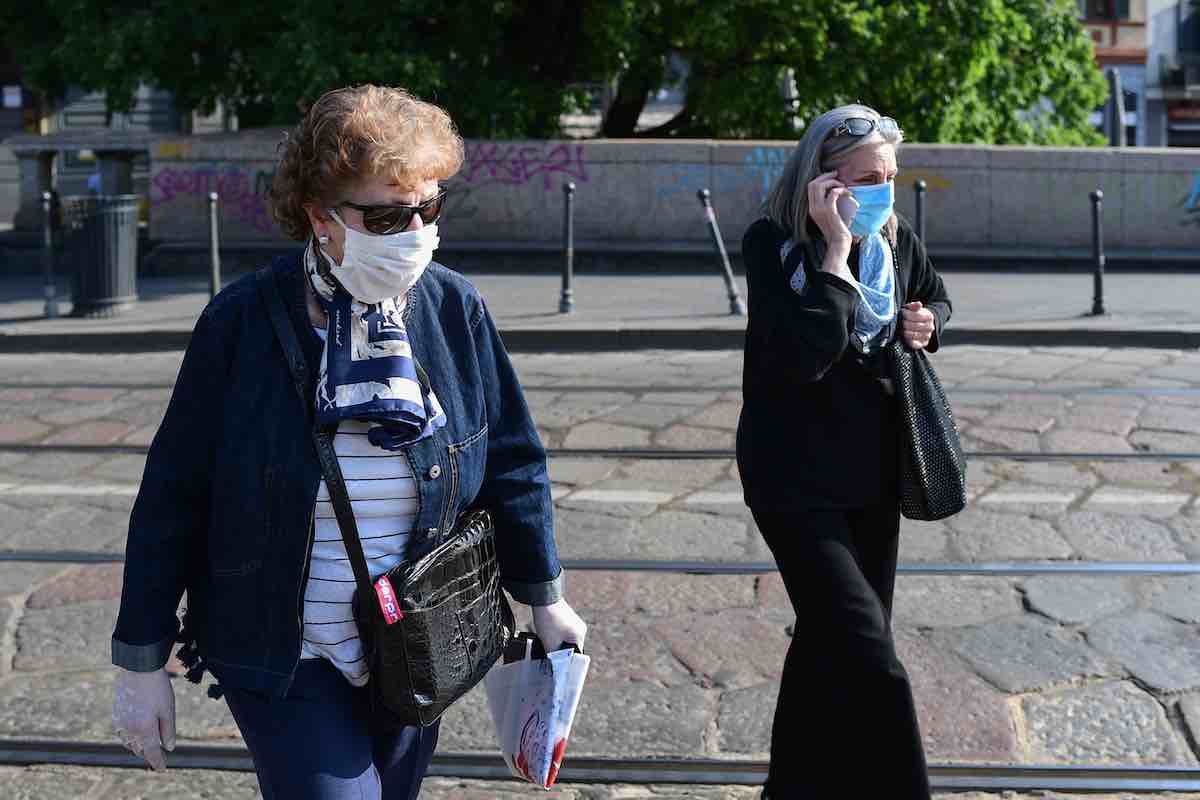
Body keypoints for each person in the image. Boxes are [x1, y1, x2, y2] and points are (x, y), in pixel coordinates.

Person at [110, 84, 587, 800]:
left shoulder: (453, 308)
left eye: (428, 207)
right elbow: (172, 495)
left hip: (415, 643)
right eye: (387, 215)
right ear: (319, 216)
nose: (415, 231)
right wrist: (141, 662)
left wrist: (544, 596)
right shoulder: (240, 323)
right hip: (282, 650)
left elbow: (514, 460)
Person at [738, 104, 951, 799]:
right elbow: (803, 355)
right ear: (823, 180)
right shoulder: (772, 245)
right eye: (867, 178)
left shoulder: (895, 238)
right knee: (872, 658)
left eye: (889, 176)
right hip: (793, 484)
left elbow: (937, 301)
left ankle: (790, 789)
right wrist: (833, 254)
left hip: (873, 479)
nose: (883, 192)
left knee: (828, 643)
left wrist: (926, 323)